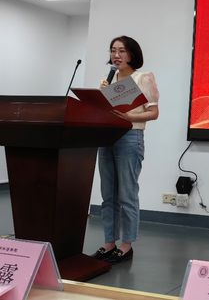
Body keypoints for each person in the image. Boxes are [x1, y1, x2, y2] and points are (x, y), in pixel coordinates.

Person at [91, 35, 159, 264]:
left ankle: (126, 245)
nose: (116, 55)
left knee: (127, 194)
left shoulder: (143, 78)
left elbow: (154, 113)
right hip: (107, 137)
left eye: (121, 50)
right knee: (108, 195)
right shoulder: (108, 81)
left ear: (132, 54)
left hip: (130, 137)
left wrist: (129, 116)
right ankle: (109, 242)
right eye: (113, 50)